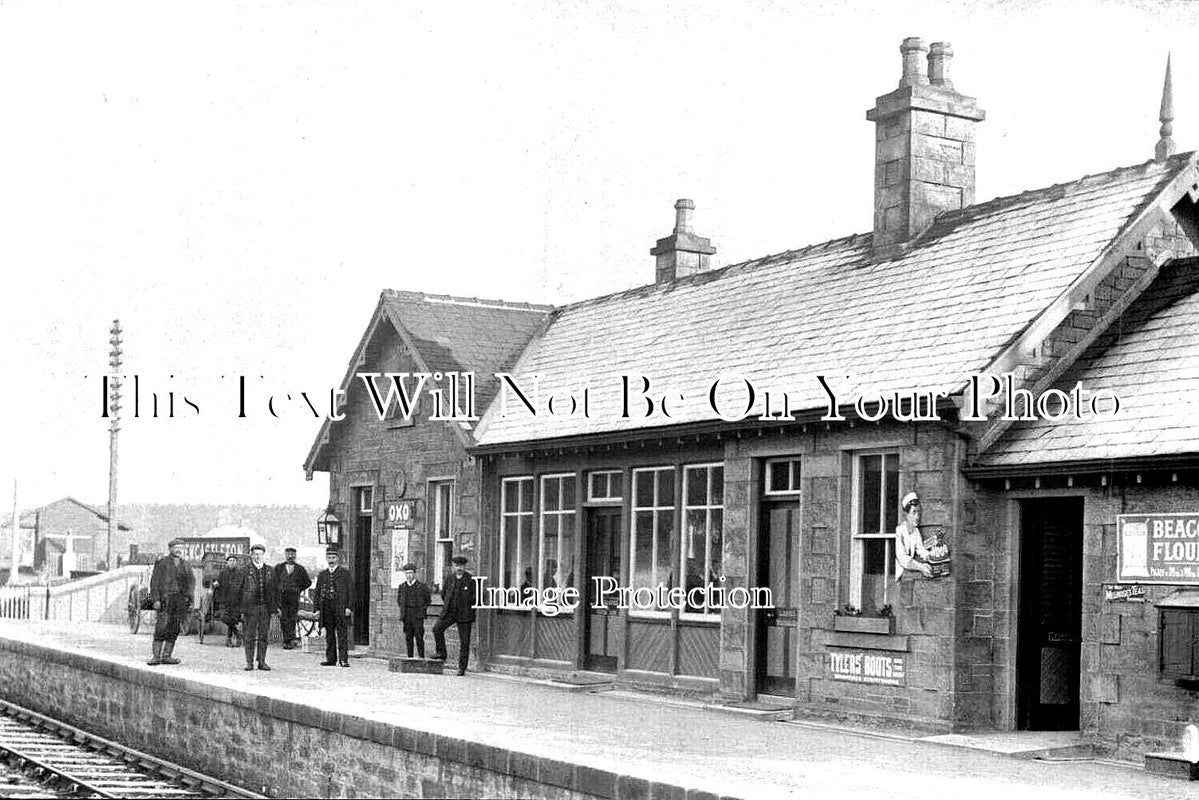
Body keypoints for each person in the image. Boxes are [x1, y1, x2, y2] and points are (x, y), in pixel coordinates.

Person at [230, 543, 279, 671]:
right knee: (249, 636)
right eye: (255, 554)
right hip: (250, 608)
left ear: (263, 555)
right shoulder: (244, 571)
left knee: (264, 636)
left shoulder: (270, 571)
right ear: (251, 555)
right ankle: (249, 663)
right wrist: (239, 610)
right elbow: (237, 591)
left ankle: (262, 662)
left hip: (265, 608)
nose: (258, 557)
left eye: (260, 554)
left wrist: (275, 608)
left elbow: (275, 590)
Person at [147, 538, 194, 666]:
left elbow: (191, 582)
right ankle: (156, 656)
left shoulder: (186, 565)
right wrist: (155, 599)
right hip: (165, 600)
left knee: (174, 627)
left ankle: (167, 655)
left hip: (179, 600)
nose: (179, 550)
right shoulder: (162, 563)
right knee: (161, 627)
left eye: (181, 548)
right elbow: (154, 582)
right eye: (176, 547)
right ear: (170, 549)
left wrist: (188, 598)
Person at [432, 555, 476, 676]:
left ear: (464, 566)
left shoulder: (470, 580)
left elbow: (476, 597)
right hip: (450, 612)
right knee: (437, 629)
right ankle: (441, 653)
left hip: (465, 614)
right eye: (457, 566)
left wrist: (468, 606)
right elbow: (444, 594)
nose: (459, 568)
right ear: (453, 566)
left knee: (464, 641)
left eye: (461, 566)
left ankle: (462, 667)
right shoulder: (449, 578)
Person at [314, 547, 353, 667]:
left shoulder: (344, 573)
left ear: (338, 558)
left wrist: (349, 607)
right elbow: (317, 592)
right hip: (327, 607)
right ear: (326, 558)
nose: (331, 560)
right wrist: (317, 609)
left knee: (342, 633)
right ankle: (331, 659)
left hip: (340, 607)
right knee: (329, 634)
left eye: (333, 558)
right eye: (329, 558)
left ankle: (343, 659)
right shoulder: (322, 575)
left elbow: (351, 591)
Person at [274, 547, 312, 650]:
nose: (290, 556)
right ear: (285, 555)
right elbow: (273, 582)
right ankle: (286, 640)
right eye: (288, 554)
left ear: (295, 555)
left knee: (292, 618)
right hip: (281, 597)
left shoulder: (300, 569)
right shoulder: (279, 568)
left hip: (293, 598)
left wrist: (298, 589)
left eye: (292, 554)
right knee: (283, 618)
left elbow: (308, 582)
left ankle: (290, 640)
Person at [395, 563, 431, 658]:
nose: (408, 575)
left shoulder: (421, 586)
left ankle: (421, 657)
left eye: (410, 573)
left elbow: (428, 600)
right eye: (406, 573)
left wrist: (421, 609)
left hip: (417, 615)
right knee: (408, 637)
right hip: (407, 615)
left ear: (415, 573)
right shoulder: (402, 587)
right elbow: (399, 601)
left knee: (419, 637)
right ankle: (409, 657)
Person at [895, 491, 933, 579]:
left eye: (918, 512)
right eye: (914, 512)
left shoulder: (915, 531)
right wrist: (921, 567)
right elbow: (902, 558)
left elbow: (921, 550)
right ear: (906, 515)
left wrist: (933, 556)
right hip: (896, 576)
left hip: (906, 575)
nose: (917, 516)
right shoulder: (899, 531)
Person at [212, 553, 243, 648]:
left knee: (233, 618)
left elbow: (241, 586)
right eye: (230, 561)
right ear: (227, 562)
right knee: (224, 617)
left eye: (234, 561)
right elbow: (218, 582)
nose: (232, 562)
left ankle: (229, 638)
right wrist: (216, 584)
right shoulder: (223, 572)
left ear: (236, 563)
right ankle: (237, 633)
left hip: (236, 601)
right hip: (224, 600)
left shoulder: (240, 573)